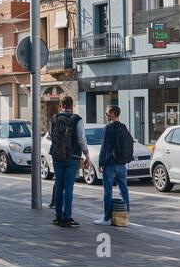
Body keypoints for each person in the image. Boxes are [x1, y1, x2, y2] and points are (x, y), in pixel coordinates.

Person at [49, 96, 91, 228]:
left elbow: (50, 135)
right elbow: (81, 139)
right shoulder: (77, 120)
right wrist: (87, 155)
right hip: (72, 157)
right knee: (69, 188)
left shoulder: (54, 119)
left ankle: (58, 217)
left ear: (61, 105)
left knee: (59, 187)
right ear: (72, 106)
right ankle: (67, 218)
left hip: (57, 157)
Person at [94, 105, 131, 226]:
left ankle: (107, 218)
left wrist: (101, 162)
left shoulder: (108, 128)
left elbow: (104, 147)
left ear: (113, 114)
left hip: (110, 164)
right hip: (122, 164)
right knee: (124, 190)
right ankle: (125, 216)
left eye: (107, 113)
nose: (106, 116)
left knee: (108, 191)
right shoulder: (123, 127)